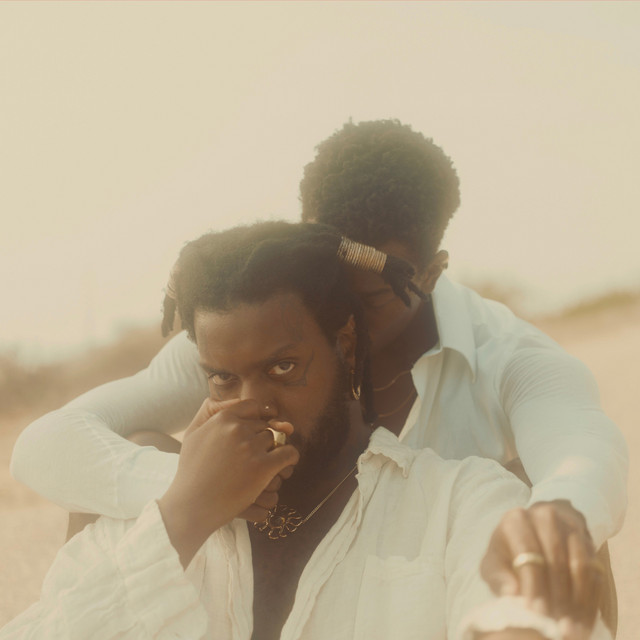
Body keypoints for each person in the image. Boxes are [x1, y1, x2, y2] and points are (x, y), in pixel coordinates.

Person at [10, 120, 627, 628]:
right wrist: (198, 489)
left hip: (424, 589)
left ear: (432, 272)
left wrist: (553, 527)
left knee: (552, 519)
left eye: (366, 296)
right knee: (129, 460)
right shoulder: (261, 335)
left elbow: (582, 455)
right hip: (273, 551)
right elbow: (49, 444)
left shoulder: (508, 358)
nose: (338, 308)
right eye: (327, 284)